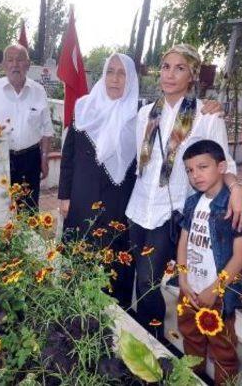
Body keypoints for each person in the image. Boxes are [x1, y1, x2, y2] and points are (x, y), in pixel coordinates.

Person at [125, 44, 242, 339]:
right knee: (138, 276)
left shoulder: (205, 116)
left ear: (192, 75)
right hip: (137, 207)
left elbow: (225, 162)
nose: (170, 74)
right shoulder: (146, 113)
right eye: (166, 66)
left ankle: (151, 340)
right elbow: (142, 163)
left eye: (180, 68)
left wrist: (236, 189)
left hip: (169, 214)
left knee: (148, 281)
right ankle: (141, 335)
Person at [58, 53, 138, 308]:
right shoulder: (84, 108)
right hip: (82, 198)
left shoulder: (140, 116)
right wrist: (64, 196)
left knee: (113, 262)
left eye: (122, 73)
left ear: (131, 79)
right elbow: (68, 155)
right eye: (110, 71)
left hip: (119, 202)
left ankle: (115, 317)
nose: (115, 78)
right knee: (79, 258)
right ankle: (74, 311)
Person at [176, 139, 242, 386]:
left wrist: (215, 289)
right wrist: (182, 278)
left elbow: (240, 257)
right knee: (191, 340)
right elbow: (183, 242)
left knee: (223, 351)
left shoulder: (235, 207)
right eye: (190, 170)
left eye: (203, 167)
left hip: (217, 294)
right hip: (190, 289)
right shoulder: (192, 203)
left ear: (221, 167)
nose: (195, 175)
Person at [0, 44, 54, 210]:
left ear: (28, 64)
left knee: (28, 209)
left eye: (19, 60)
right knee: (0, 208)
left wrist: (45, 157)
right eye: (10, 60)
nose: (15, 64)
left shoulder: (38, 91)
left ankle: (28, 235)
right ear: (4, 65)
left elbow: (47, 130)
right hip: (0, 157)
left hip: (30, 159)